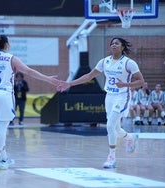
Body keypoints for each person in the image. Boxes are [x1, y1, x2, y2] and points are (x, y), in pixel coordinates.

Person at [0, 34, 59, 170]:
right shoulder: (11, 58)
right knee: (2, 128)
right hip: (4, 94)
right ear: (7, 44)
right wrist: (48, 79)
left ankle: (4, 157)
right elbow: (28, 71)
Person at [58, 37, 144, 168]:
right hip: (109, 96)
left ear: (122, 47)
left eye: (117, 43)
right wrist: (69, 83)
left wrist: (125, 84)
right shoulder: (105, 62)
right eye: (112, 43)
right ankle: (130, 137)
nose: (113, 45)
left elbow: (141, 82)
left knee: (109, 126)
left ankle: (112, 158)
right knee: (115, 128)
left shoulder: (129, 63)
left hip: (122, 96)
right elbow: (88, 76)